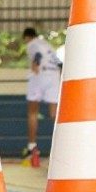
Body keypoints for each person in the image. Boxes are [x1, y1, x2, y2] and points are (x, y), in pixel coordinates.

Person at [21, 27, 61, 159]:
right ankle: (63, 145)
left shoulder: (33, 44)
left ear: (27, 37)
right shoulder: (48, 46)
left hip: (40, 75)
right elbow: (59, 63)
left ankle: (32, 147)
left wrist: (35, 63)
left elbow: (37, 54)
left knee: (33, 112)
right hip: (54, 76)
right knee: (54, 114)